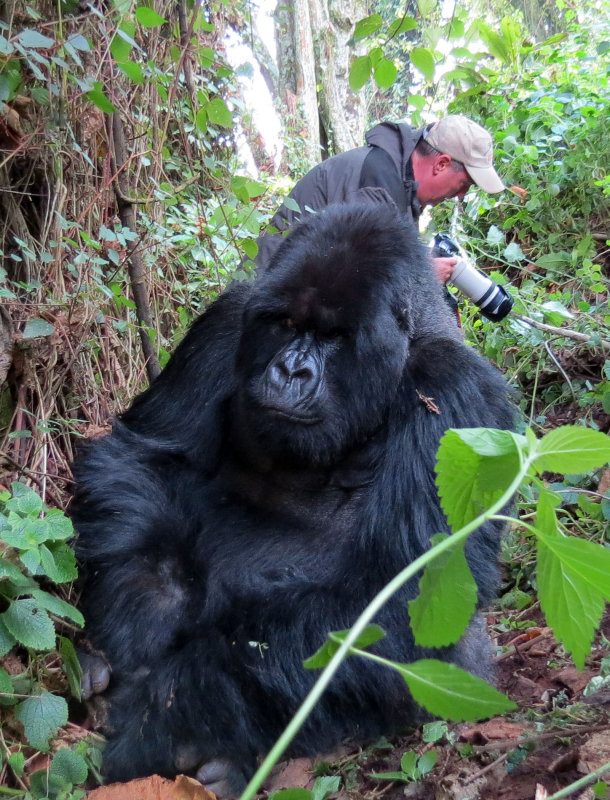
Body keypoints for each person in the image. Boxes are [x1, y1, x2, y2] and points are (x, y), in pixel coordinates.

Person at [256, 115, 506, 283]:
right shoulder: (376, 187)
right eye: (464, 184)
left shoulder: (401, 185)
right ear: (441, 164)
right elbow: (353, 279)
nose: (461, 195)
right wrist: (423, 276)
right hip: (265, 301)